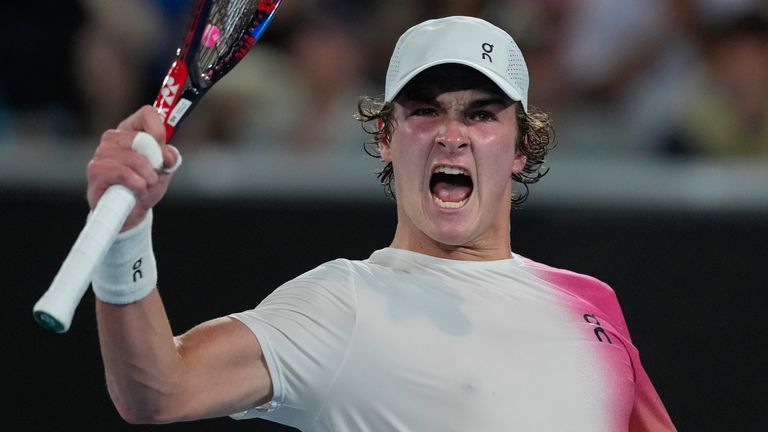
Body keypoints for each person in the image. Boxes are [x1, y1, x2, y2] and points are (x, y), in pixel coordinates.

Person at [86, 16, 677, 431]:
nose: (452, 134)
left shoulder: (592, 303)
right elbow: (158, 390)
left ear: (521, 147)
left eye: (481, 114)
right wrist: (126, 236)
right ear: (387, 138)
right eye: (424, 111)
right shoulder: (340, 306)